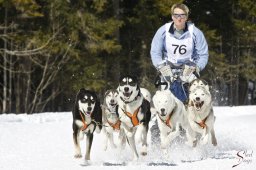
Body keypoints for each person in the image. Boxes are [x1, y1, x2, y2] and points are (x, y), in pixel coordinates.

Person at [150, 3, 209, 102]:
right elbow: (155, 52)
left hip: (188, 68)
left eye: (182, 15)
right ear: (172, 16)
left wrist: (197, 67)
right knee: (166, 99)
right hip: (168, 68)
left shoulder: (195, 32)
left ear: (186, 17)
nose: (179, 18)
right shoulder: (162, 31)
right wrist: (160, 66)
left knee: (191, 97)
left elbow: (203, 54)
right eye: (176, 15)